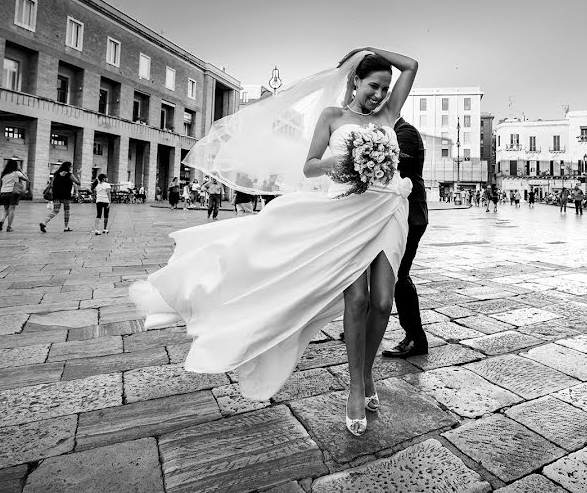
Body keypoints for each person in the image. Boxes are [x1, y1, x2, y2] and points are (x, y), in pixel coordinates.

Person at [129, 48, 417, 438]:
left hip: (387, 212)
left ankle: (367, 375)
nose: (380, 94)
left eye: (385, 87)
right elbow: (310, 164)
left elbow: (411, 66)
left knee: (384, 301)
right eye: (373, 86)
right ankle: (353, 388)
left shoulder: (387, 115)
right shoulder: (333, 117)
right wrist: (349, 163)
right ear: (355, 82)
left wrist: (368, 50)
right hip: (347, 213)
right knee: (359, 299)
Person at [382, 116, 429, 360]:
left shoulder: (406, 132)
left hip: (411, 215)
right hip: (400, 214)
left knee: (400, 275)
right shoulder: (393, 131)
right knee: (393, 274)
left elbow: (393, 168)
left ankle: (416, 338)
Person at [40, 161, 80, 233]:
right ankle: (66, 227)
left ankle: (44, 222)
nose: (71, 168)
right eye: (70, 166)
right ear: (68, 167)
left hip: (57, 195)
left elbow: (51, 184)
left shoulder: (56, 174)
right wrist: (78, 175)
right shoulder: (70, 175)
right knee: (67, 211)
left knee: (55, 210)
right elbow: (78, 183)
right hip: (66, 195)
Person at [0, 160, 28, 232]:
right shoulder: (17, 173)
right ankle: (9, 227)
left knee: (5, 210)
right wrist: (20, 170)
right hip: (13, 192)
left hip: (3, 193)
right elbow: (26, 179)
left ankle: (2, 221)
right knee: (11, 210)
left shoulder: (3, 174)